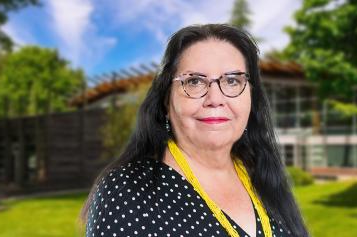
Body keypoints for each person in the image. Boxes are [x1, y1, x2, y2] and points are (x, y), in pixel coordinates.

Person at [82, 24, 309, 237]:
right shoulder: (126, 191)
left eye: (232, 81)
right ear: (166, 102)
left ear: (251, 97)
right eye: (194, 82)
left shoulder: (263, 176)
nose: (215, 99)